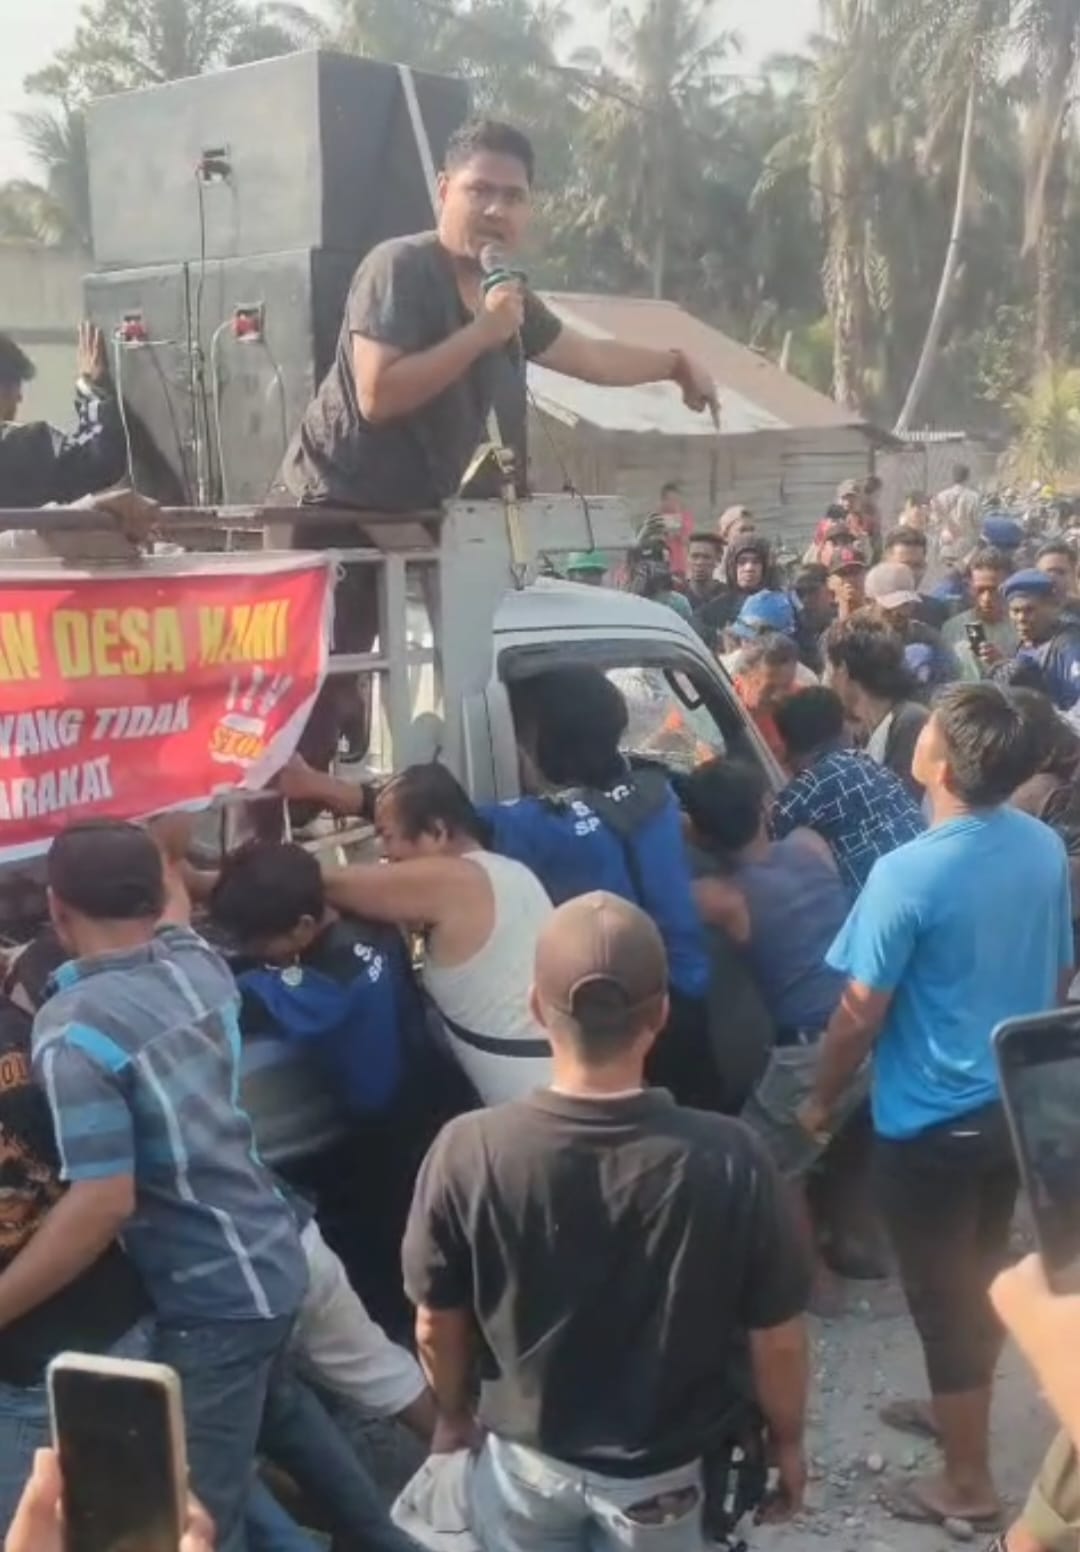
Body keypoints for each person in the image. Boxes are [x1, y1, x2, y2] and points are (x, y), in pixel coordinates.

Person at [402, 891, 811, 1551]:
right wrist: (788, 1442)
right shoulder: (731, 1156)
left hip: (525, 1468)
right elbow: (778, 1339)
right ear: (662, 1014)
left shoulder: (467, 1150)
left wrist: (451, 1415)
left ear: (536, 1008)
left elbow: (435, 1323)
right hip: (664, 1478)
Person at [798, 684, 1071, 1529]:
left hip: (931, 1124)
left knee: (941, 1299)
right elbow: (1061, 968)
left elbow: (857, 1015)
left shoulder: (907, 874)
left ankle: (968, 1483)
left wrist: (819, 1100)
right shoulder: (1039, 847)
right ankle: (961, 1413)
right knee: (978, 1271)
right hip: (1010, 1106)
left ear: (940, 765)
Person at [1, 821, 307, 1552]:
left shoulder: (72, 1030)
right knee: (280, 1430)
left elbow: (104, 1201)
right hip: (268, 1253)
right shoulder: (196, 964)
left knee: (191, 1517)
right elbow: (170, 901)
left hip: (209, 1294)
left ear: (57, 909)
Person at [208, 838, 476, 1332]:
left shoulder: (327, 988)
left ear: (303, 926)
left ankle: (407, 1336)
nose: (249, 952)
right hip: (429, 1086)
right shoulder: (370, 922)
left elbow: (235, 996)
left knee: (386, 1248)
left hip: (386, 1132)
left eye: (257, 943)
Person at [486, 666, 718, 1109]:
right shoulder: (658, 792)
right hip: (685, 1001)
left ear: (552, 744)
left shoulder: (548, 827)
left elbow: (453, 822)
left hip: (620, 1025)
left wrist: (356, 797)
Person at [0, 935, 149, 1534]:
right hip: (112, 1312)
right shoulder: (27, 1024)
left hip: (39, 1363)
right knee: (167, 1501)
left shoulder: (33, 1028)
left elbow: (101, 1198)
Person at [317, 764, 553, 1106]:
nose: (383, 852)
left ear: (438, 832)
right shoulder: (513, 872)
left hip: (535, 1114)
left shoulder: (457, 882)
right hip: (559, 1099)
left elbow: (327, 884)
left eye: (387, 836)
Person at [683, 762, 864, 1185]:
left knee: (751, 1173)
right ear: (765, 806)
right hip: (867, 1034)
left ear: (701, 834)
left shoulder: (722, 898)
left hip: (809, 1059)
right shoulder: (809, 846)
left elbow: (653, 894)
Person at [772, 687, 925, 894]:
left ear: (788, 748)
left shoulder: (799, 797)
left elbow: (763, 848)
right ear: (843, 729)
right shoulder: (872, 767)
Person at [0, 326, 127, 510]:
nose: (19, 398)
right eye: (15, 386)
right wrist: (91, 387)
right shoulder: (25, 445)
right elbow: (99, 461)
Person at [824, 617, 929, 798]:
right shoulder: (861, 732)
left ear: (843, 670)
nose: (827, 681)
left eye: (828, 669)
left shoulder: (911, 724)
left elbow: (903, 803)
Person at [864, 561, 959, 693]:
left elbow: (951, 681)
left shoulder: (928, 638)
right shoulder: (854, 640)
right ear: (869, 603)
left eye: (905, 604)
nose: (900, 612)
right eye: (890, 607)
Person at [999, 569, 1080, 711]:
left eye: (1029, 610)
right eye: (1015, 611)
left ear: (1051, 607)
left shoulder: (1070, 645)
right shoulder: (1022, 646)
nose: (1021, 618)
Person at [942, 547, 1018, 682]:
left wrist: (1003, 663)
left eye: (994, 590)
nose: (986, 598)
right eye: (980, 590)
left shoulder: (1023, 626)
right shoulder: (953, 628)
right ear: (969, 587)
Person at [730, 632, 803, 766]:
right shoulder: (724, 710)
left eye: (786, 686)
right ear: (744, 677)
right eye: (770, 688)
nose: (779, 696)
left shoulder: (801, 702)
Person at [723, 592, 817, 686]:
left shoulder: (805, 681)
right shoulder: (724, 669)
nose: (747, 647)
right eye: (745, 639)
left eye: (755, 643)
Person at [882, 526, 950, 628]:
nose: (911, 573)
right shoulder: (867, 611)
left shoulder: (935, 611)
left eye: (917, 566)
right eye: (905, 565)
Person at [716, 533, 783, 634]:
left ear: (765, 567)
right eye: (742, 562)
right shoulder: (719, 606)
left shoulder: (782, 603)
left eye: (756, 562)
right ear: (732, 567)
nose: (749, 568)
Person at [681, 530, 728, 646]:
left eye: (706, 557)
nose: (699, 562)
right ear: (687, 558)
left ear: (718, 560)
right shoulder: (677, 596)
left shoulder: (729, 597)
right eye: (694, 556)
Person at [791, 563, 833, 674]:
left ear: (830, 591)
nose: (806, 599)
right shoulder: (792, 633)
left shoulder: (841, 629)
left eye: (812, 591)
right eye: (800, 593)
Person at [933, 462, 981, 552]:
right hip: (966, 541)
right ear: (967, 477)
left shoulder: (941, 495)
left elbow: (936, 520)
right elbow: (977, 521)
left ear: (953, 477)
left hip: (946, 540)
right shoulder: (974, 497)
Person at [653, 481, 695, 579]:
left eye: (676, 500)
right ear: (663, 500)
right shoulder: (655, 517)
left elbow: (687, 541)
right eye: (670, 499)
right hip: (661, 565)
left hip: (680, 566)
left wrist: (678, 530)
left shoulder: (686, 517)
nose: (673, 503)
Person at [1036, 539, 1080, 624]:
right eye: (1046, 574)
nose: (1053, 579)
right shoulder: (1026, 614)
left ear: (1074, 575)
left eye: (1060, 572)